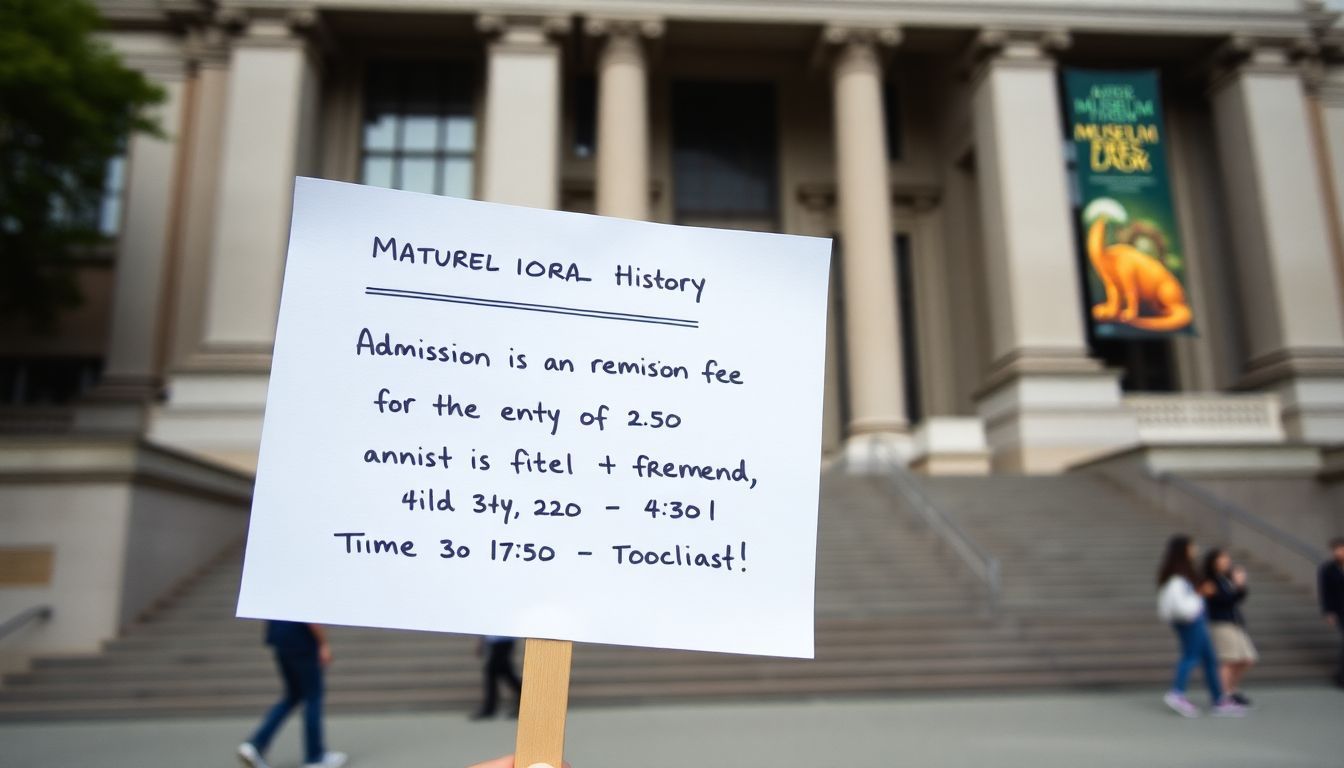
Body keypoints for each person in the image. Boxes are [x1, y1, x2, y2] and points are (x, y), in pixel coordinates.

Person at [1155, 535, 1245, 717]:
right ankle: (1177, 693)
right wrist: (1201, 593)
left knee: (1209, 659)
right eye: (1191, 547)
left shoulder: (1180, 574)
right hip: (1191, 619)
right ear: (1184, 550)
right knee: (1191, 656)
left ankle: (1219, 699)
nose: (1194, 550)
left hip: (1193, 619)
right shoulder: (1179, 577)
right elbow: (1185, 600)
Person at [238, 620, 348, 768]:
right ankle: (315, 757)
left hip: (281, 640)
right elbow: (311, 618)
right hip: (303, 642)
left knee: (293, 696)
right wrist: (323, 643)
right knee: (312, 697)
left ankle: (255, 744)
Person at [1201, 549, 1257, 706]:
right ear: (1213, 561)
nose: (1227, 562)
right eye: (1222, 559)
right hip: (1221, 623)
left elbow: (1236, 599)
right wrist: (1237, 587)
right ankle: (1223, 694)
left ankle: (1231, 690)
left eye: (1227, 559)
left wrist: (1240, 585)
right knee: (1229, 660)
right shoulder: (1210, 580)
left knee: (1247, 659)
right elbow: (1223, 601)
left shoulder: (1224, 579)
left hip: (1234, 622)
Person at [472, 635, 522, 720]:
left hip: (503, 639)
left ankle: (490, 708)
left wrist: (481, 642)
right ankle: (490, 707)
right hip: (498, 640)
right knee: (502, 672)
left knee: (496, 672)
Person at [1319, 537, 1344, 688]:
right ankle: (1341, 677)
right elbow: (1325, 591)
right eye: (1337, 549)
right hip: (1340, 609)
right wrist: (1328, 611)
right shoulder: (1328, 569)